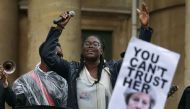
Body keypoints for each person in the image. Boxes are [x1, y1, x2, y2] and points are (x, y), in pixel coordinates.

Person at [39, 3, 153, 109]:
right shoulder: (71, 69)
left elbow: (137, 58)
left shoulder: (113, 69)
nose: (90, 46)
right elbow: (47, 55)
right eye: (87, 44)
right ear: (82, 50)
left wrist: (144, 28)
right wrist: (59, 28)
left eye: (95, 44)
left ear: (102, 51)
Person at [12, 43, 68, 108]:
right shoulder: (22, 82)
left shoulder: (63, 82)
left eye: (61, 56)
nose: (61, 58)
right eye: (58, 55)